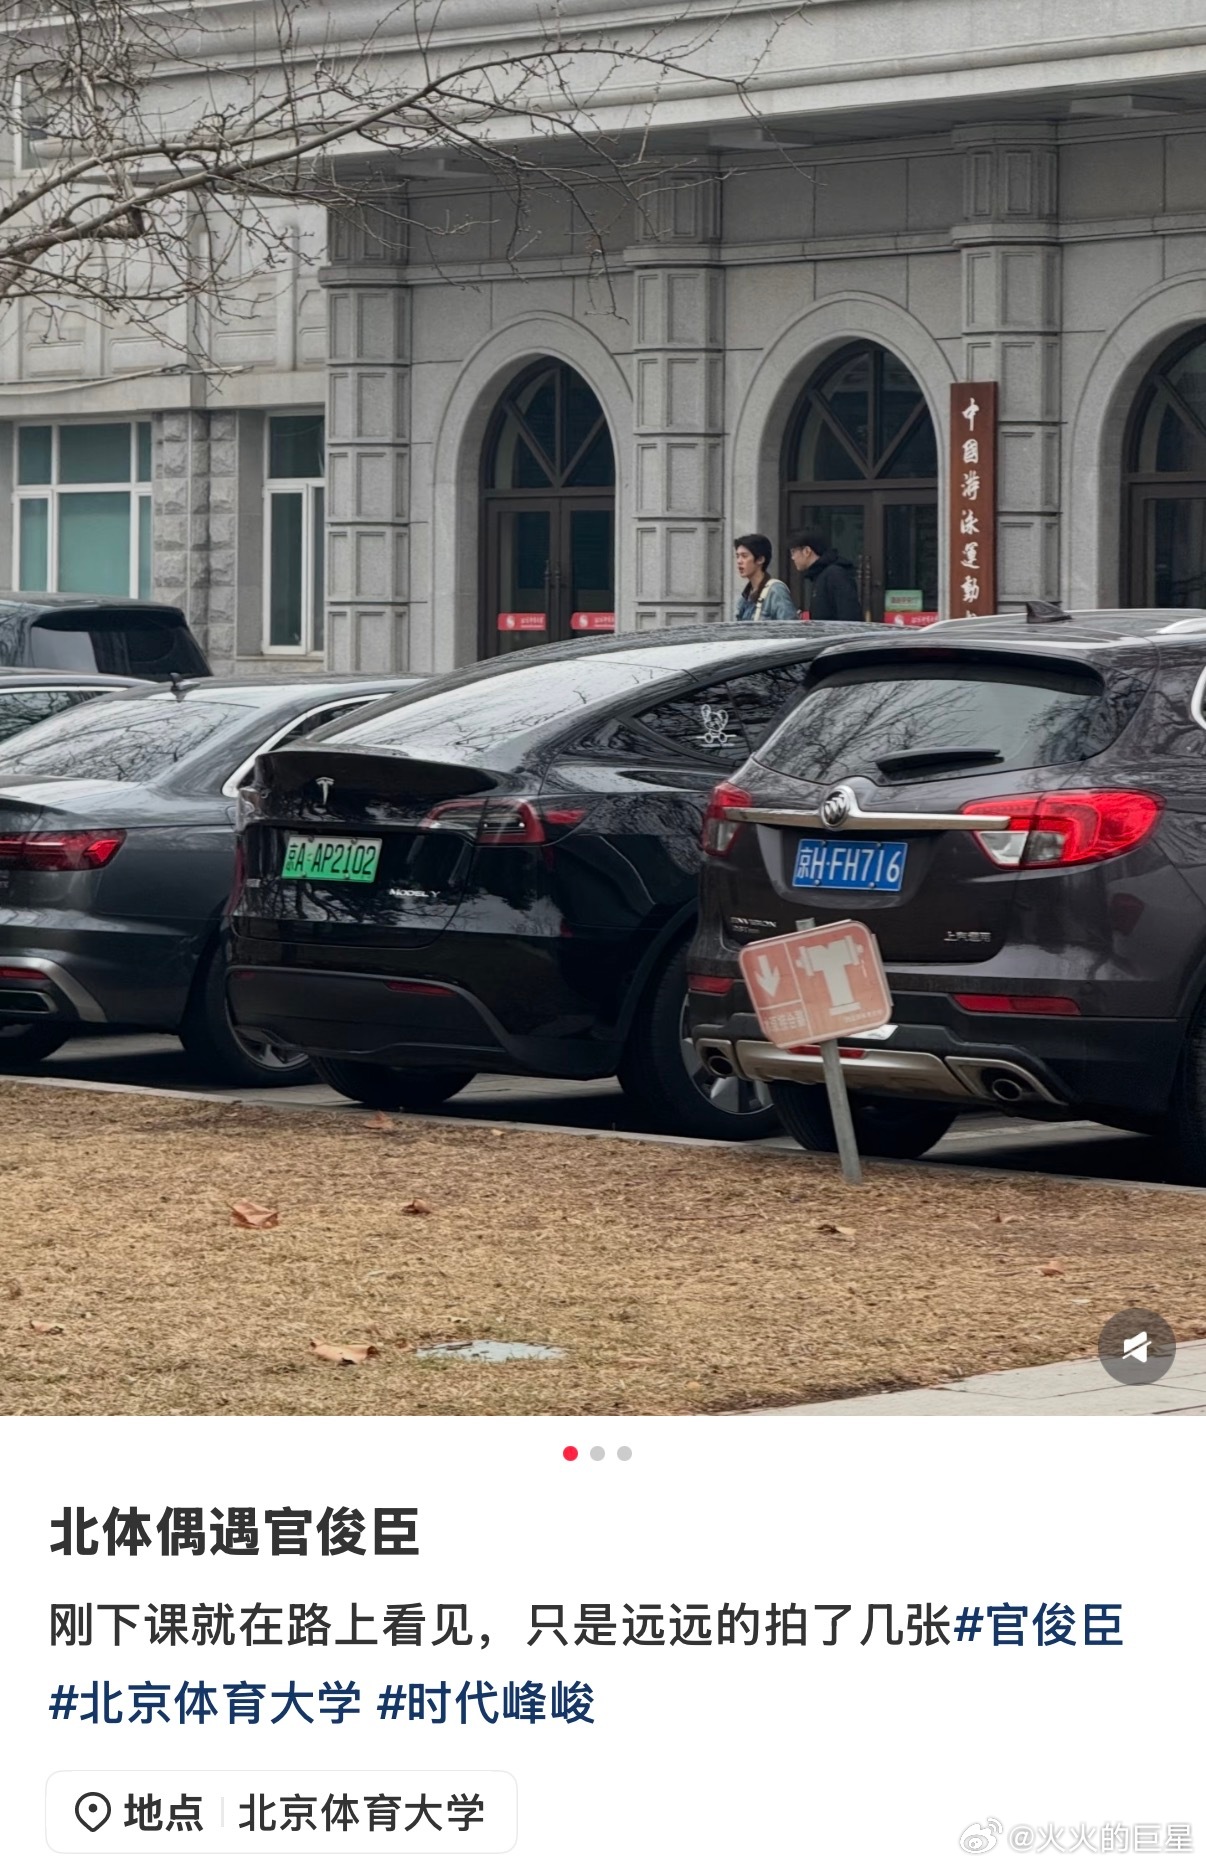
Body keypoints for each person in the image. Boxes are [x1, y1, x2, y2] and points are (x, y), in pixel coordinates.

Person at [788, 527, 864, 622]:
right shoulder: (819, 576)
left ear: (807, 551)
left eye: (793, 552)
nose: (792, 557)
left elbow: (850, 617)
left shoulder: (835, 574)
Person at [733, 534, 799, 621]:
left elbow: (789, 626)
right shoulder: (745, 597)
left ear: (760, 559)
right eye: (737, 556)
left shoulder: (776, 590)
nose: (739, 561)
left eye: (744, 556)